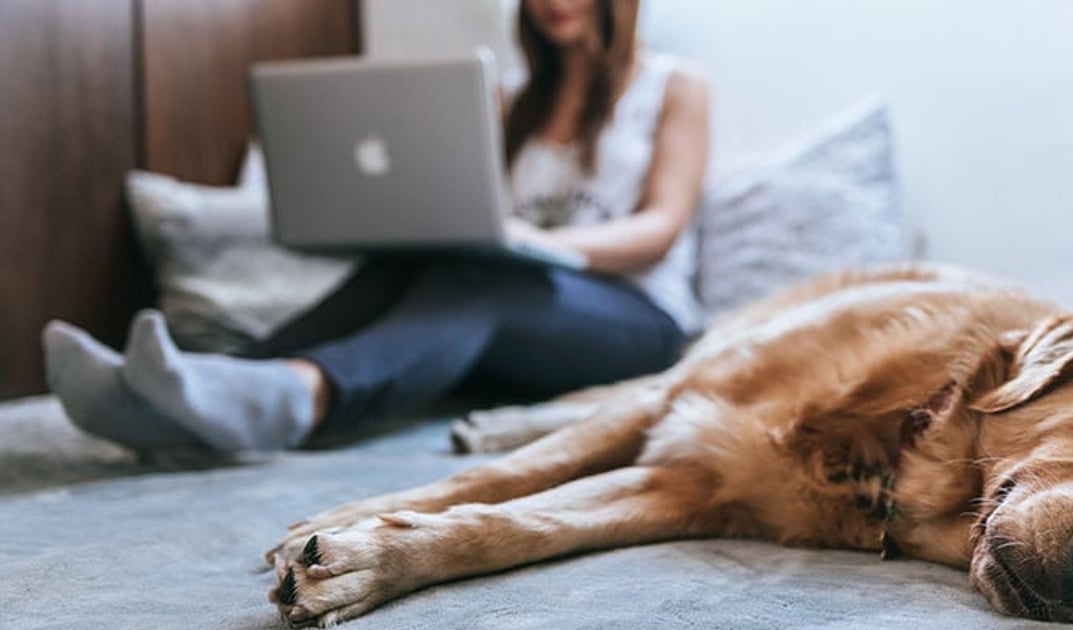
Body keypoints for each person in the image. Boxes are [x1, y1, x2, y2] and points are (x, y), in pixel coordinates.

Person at [42, 0, 709, 454]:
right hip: (520, 302)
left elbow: (662, 226)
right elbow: (472, 205)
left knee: (484, 279)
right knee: (426, 263)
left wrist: (539, 245)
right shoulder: (510, 96)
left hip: (638, 320)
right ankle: (194, 391)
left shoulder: (673, 85)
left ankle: (300, 396)